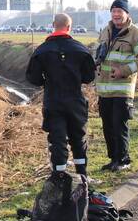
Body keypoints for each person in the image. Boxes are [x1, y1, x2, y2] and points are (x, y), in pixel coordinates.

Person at [26, 13, 96, 175]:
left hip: (53, 101)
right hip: (75, 101)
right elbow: (89, 77)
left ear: (53, 25)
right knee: (78, 139)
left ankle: (59, 176)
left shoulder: (41, 51)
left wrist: (47, 80)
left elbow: (33, 78)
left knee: (58, 141)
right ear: (69, 27)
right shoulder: (81, 50)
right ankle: (82, 175)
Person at [95, 0, 138, 172]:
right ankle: (113, 159)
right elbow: (99, 54)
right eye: (114, 11)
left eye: (119, 11)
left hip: (122, 89)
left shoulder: (135, 33)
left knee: (119, 125)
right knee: (107, 126)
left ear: (127, 14)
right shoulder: (105, 31)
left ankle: (123, 159)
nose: (116, 15)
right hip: (104, 88)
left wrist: (124, 70)